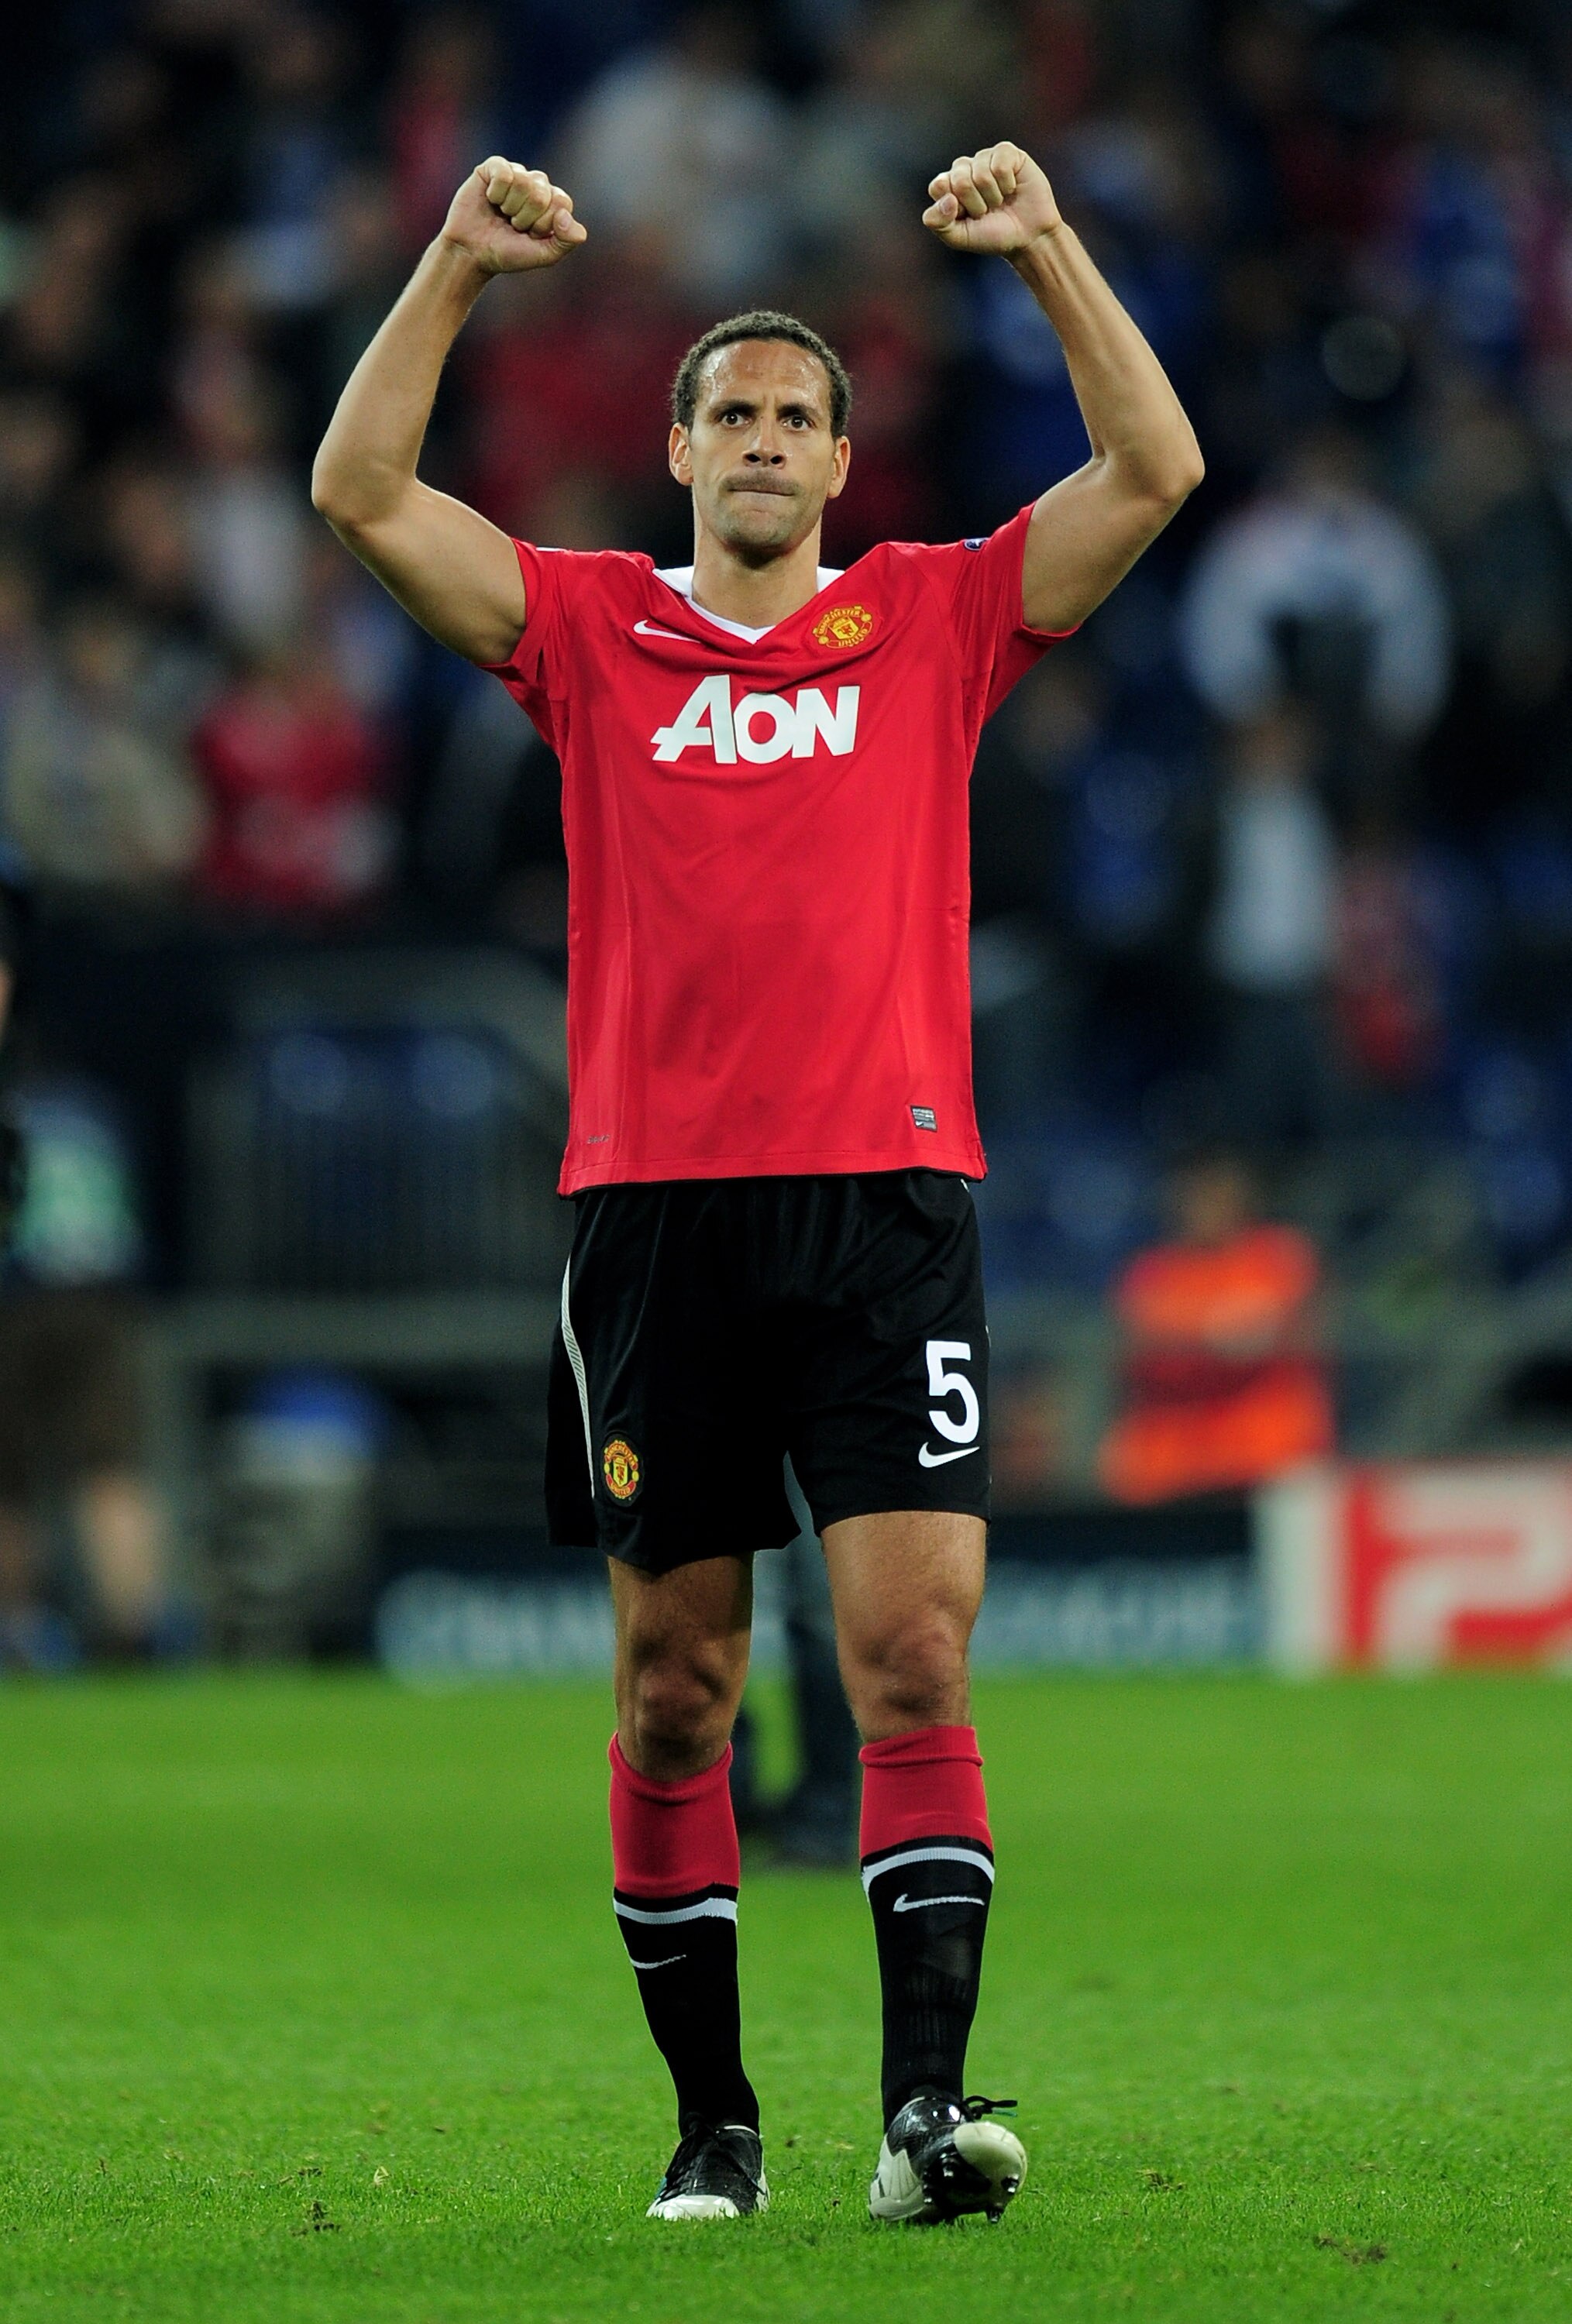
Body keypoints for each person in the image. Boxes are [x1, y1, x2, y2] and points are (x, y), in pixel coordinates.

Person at [311, 139, 1202, 2226]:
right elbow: (357, 492)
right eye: (733, 412)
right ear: (680, 448)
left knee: (910, 1657)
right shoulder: (589, 628)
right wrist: (450, 261)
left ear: (838, 457)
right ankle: (712, 2121)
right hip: (654, 1212)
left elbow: (1154, 471)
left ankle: (921, 2114)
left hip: (886, 1201)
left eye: (799, 414)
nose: (766, 440)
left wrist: (1045, 246)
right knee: (675, 1685)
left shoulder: (933, 617)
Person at [1099, 1149, 1333, 1505]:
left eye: (1217, 1191)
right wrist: (1214, 1333)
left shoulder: (1278, 1254)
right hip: (1173, 1468)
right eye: (1196, 1193)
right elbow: (1140, 1341)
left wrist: (1195, 1335)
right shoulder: (1152, 1271)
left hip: (1267, 1462)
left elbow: (1269, 1334)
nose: (1205, 1205)